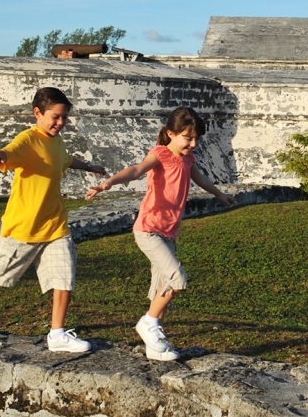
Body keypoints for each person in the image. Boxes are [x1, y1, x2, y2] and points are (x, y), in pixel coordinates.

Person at [0, 87, 106, 351]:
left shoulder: (56, 141)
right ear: (37, 113)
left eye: (64, 117)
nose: (61, 122)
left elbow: (65, 160)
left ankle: (57, 335)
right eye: (55, 117)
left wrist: (91, 167)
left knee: (63, 277)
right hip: (24, 226)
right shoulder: (28, 139)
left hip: (55, 223)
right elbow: (9, 152)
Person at [86, 106, 235, 361]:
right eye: (188, 138)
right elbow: (136, 170)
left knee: (162, 287)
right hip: (149, 230)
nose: (193, 143)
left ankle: (155, 345)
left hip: (168, 233)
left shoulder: (188, 159)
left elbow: (200, 179)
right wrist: (109, 182)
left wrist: (219, 194)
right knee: (177, 278)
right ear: (170, 134)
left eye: (196, 138)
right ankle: (148, 322)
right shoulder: (161, 154)